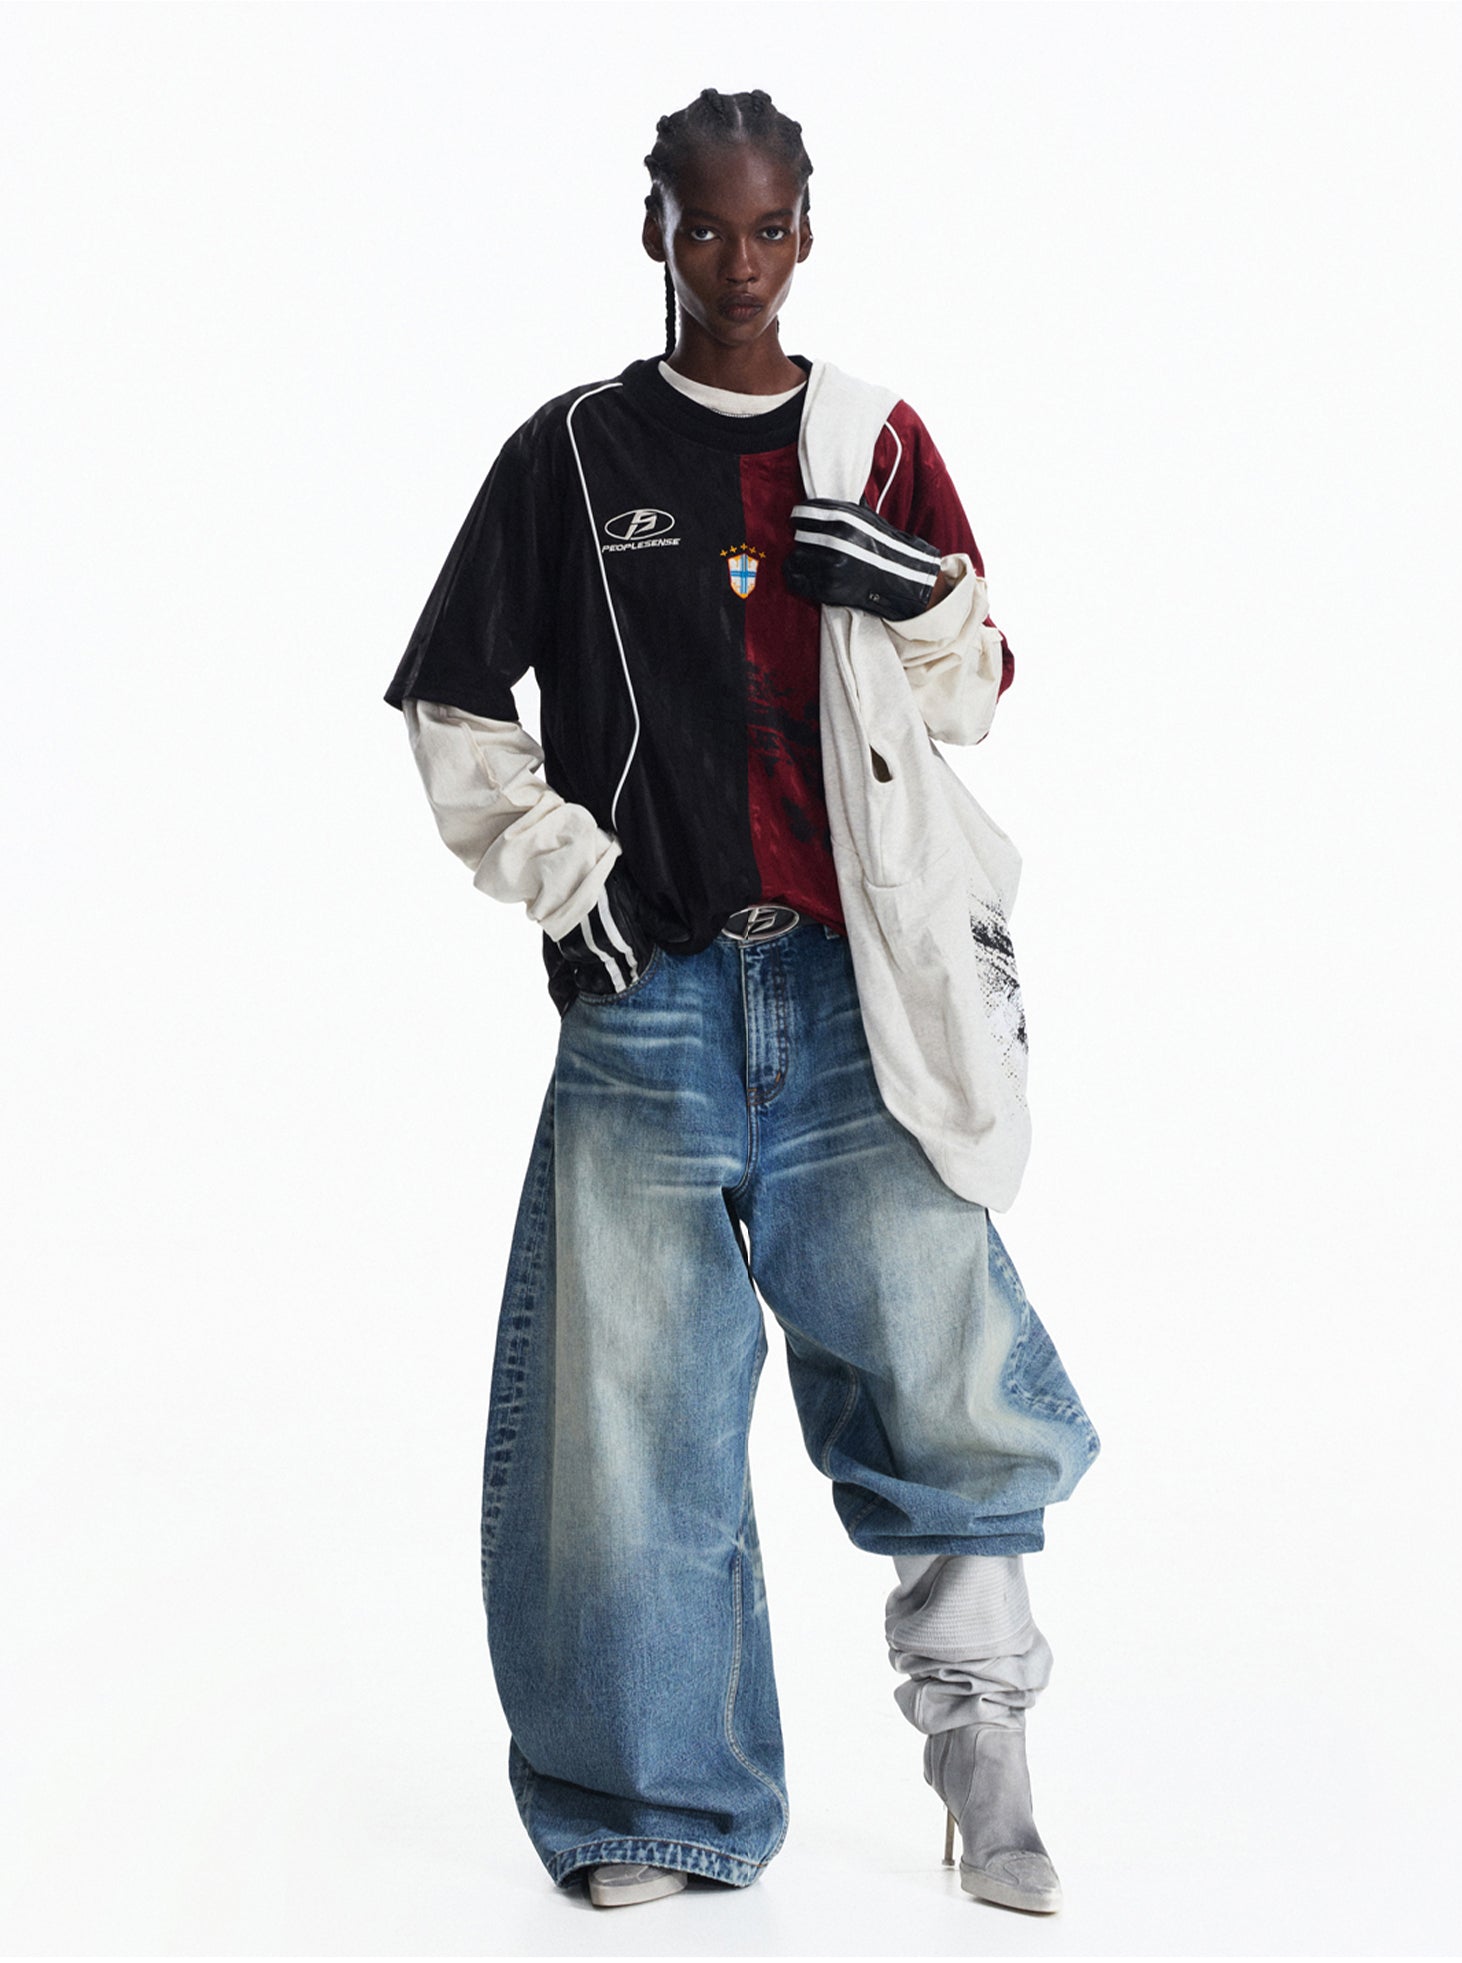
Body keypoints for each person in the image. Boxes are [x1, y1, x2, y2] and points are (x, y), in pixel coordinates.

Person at [383, 86, 1100, 1915]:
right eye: (703, 227)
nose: (737, 262)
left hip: (864, 995)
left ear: (806, 230)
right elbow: (454, 698)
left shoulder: (870, 441)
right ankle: (653, 1807)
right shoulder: (572, 452)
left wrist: (917, 587)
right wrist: (563, 873)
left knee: (937, 1365)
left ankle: (985, 1755)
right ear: (654, 232)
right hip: (653, 997)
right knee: (625, 1416)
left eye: (767, 227)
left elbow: (971, 691)